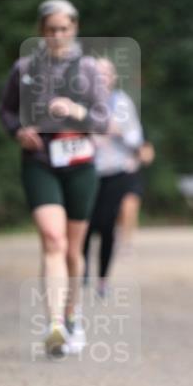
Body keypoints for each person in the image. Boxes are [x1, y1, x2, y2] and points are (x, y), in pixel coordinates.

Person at [0, 0, 109, 358]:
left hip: (79, 162)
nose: (58, 35)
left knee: (73, 250)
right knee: (52, 239)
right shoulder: (25, 68)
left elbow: (104, 120)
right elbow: (6, 110)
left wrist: (75, 109)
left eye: (64, 29)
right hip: (40, 161)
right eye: (51, 30)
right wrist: (18, 131)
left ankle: (72, 315)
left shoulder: (89, 69)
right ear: (42, 32)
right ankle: (54, 325)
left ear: (73, 29)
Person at [83, 58, 147, 293]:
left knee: (107, 225)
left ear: (113, 78)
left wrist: (117, 131)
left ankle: (103, 279)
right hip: (86, 172)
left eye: (106, 73)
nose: (102, 77)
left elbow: (136, 139)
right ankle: (83, 272)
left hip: (115, 173)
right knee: (85, 225)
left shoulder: (122, 103)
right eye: (97, 73)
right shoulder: (81, 103)